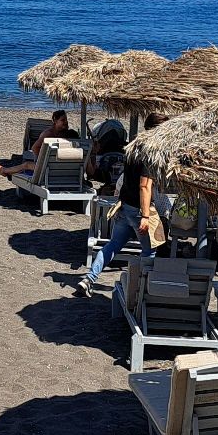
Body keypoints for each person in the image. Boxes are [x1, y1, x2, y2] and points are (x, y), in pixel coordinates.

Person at [76, 112, 167, 297]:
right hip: (138, 209)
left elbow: (128, 179)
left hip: (124, 205)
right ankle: (139, 290)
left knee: (113, 245)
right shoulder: (150, 153)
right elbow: (144, 186)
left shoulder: (133, 146)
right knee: (149, 252)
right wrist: (145, 216)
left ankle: (89, 279)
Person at [0, 110, 77, 178]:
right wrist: (42, 160)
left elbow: (34, 148)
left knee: (27, 165)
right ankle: (6, 172)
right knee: (28, 165)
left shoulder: (67, 134)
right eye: (63, 120)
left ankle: (5, 171)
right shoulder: (48, 134)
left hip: (53, 167)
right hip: (59, 167)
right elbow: (35, 148)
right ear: (55, 121)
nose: (66, 122)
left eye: (66, 120)